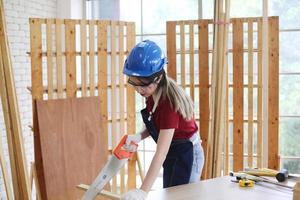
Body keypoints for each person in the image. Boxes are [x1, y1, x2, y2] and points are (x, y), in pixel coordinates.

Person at [120, 40, 204, 200]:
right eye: (134, 83)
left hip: (188, 153)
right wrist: (138, 136)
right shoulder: (151, 94)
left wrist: (142, 191)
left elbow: (160, 153)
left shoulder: (168, 104)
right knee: (170, 195)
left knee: (183, 197)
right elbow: (155, 123)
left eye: (143, 84)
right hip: (173, 151)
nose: (139, 89)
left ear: (157, 78)